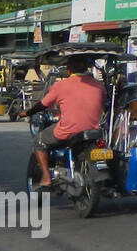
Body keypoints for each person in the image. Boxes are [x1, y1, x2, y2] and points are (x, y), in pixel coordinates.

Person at [27, 55, 106, 188]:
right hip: (94, 130)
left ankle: (46, 177)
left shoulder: (60, 86)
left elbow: (43, 104)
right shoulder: (99, 85)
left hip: (69, 131)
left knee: (39, 141)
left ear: (69, 70)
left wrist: (27, 112)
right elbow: (103, 104)